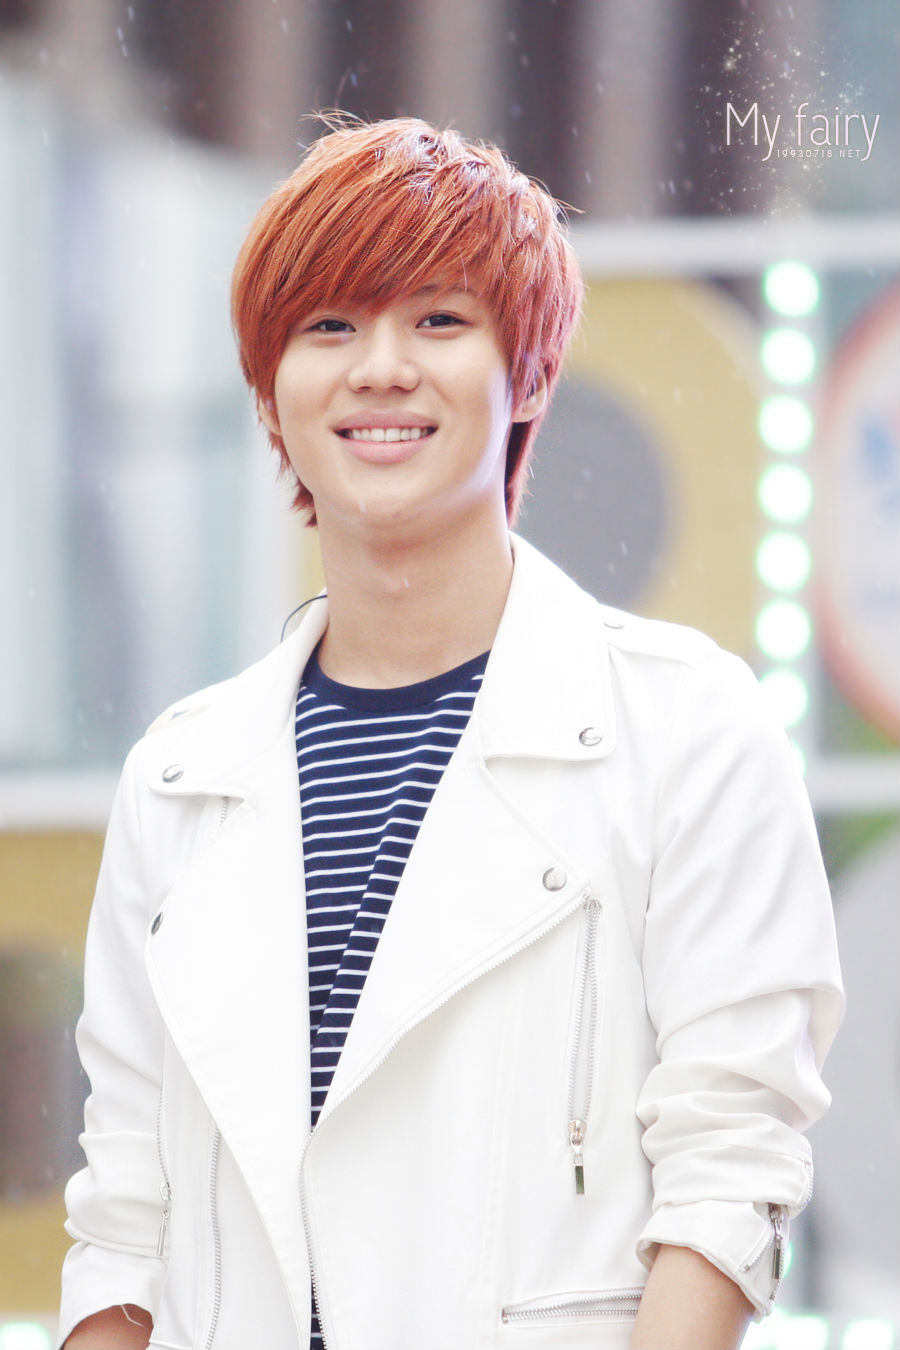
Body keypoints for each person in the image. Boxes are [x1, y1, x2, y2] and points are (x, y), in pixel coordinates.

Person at [59, 116, 843, 1350]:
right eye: (328, 326)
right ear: (270, 387)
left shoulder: (690, 729)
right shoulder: (179, 775)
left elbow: (729, 1171)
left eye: (438, 320)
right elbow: (124, 1219)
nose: (380, 369)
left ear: (528, 376)